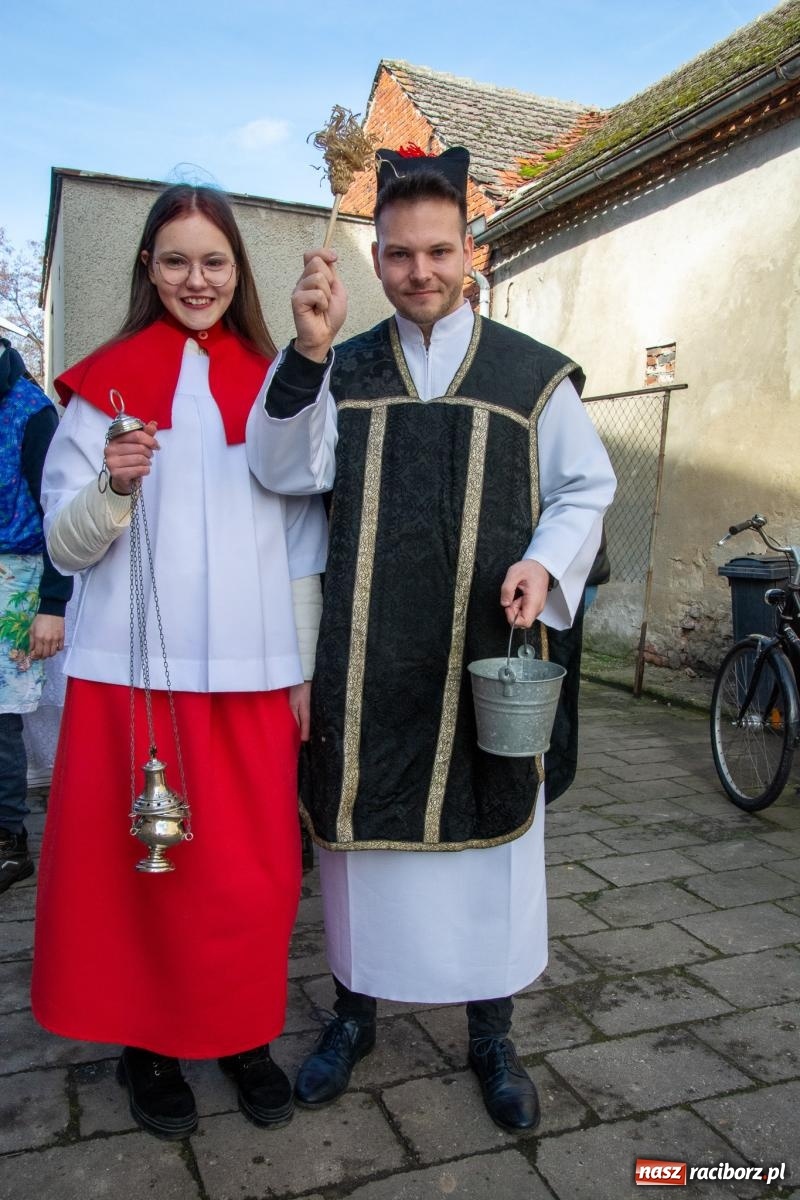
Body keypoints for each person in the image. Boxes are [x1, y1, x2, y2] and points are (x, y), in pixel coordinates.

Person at [247, 146, 616, 1132]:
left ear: (469, 250)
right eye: (400, 254)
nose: (420, 271)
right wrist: (311, 348)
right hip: (363, 661)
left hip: (482, 657)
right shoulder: (343, 366)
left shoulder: (529, 377)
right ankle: (355, 1011)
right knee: (364, 857)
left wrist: (546, 561)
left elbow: (586, 488)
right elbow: (280, 471)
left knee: (483, 853)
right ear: (374, 257)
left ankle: (489, 1030)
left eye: (437, 251)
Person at [31, 184, 327, 1140]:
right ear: (147, 269)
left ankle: (239, 1036)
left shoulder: (279, 380)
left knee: (249, 877)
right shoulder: (100, 391)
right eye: (174, 261)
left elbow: (303, 541)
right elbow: (65, 546)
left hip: (250, 676)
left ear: (237, 272)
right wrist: (112, 490)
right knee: (140, 878)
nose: (194, 280)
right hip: (132, 672)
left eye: (213, 262)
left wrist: (304, 671)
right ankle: (148, 1046)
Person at [0, 339, 72, 894]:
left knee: (2, 716)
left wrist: (52, 603)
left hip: (16, 577)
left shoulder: (30, 411)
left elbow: (57, 511)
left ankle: (8, 841)